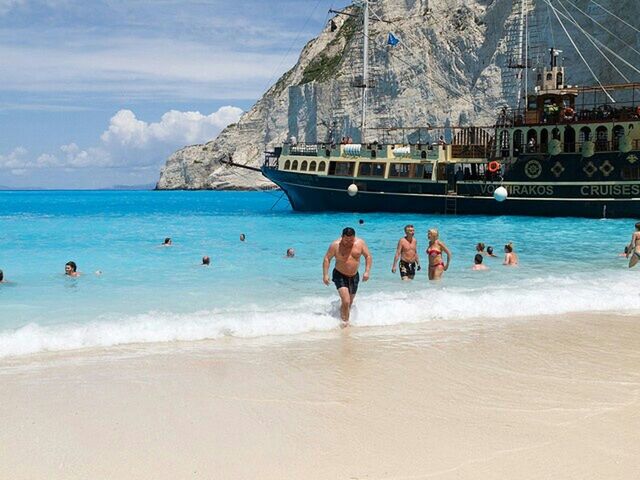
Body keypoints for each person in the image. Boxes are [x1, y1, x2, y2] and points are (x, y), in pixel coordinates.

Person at [322, 227, 372, 326]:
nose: (349, 242)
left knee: (349, 302)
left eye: (351, 240)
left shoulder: (360, 243)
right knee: (346, 300)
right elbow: (327, 258)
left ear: (354, 237)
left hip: (354, 275)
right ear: (342, 237)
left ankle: (343, 316)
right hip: (339, 274)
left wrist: (367, 271)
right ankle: (345, 324)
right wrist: (325, 274)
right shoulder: (335, 245)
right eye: (346, 240)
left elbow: (368, 256)